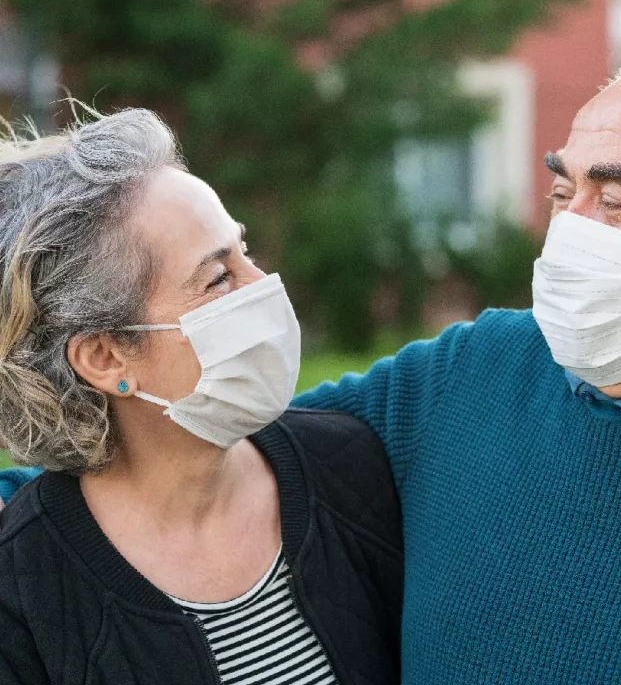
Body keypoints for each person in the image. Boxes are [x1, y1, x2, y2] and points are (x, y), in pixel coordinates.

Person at [5, 33, 621, 684]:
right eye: (565, 194)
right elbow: (163, 458)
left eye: (619, 202)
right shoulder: (468, 378)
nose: (570, 235)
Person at [0, 108, 403, 684]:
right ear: (105, 358)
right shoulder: (22, 591)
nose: (262, 286)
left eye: (244, 251)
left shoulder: (350, 469)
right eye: (218, 278)